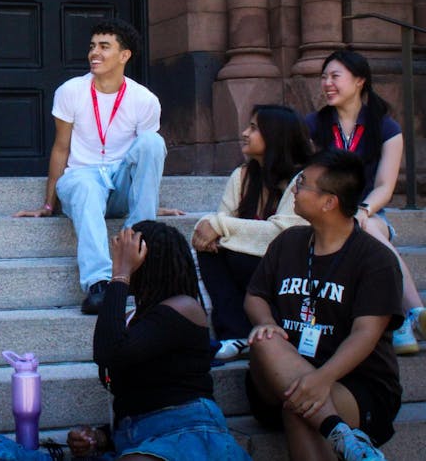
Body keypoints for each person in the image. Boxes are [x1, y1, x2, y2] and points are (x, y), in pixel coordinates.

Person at [245, 149, 402, 461]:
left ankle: (334, 426)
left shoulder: (376, 260)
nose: (295, 190)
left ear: (329, 202)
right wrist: (267, 321)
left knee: (301, 406)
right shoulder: (288, 243)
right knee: (266, 341)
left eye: (303, 184)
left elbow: (364, 335)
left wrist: (322, 379)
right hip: (280, 373)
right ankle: (341, 436)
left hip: (355, 382)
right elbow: (255, 296)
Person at [14, 18, 167, 314]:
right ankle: (99, 284)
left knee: (152, 143)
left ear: (124, 55)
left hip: (119, 181)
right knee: (84, 184)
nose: (94, 53)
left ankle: (138, 244)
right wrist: (48, 204)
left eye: (104, 47)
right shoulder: (71, 91)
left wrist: (149, 200)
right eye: (92, 46)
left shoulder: (145, 100)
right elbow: (61, 148)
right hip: (81, 180)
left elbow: (145, 160)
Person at [68, 221, 250, 461]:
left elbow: (110, 353)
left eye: (128, 253)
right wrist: (101, 436)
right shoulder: (128, 319)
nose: (119, 257)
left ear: (147, 261)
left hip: (186, 430)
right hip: (136, 436)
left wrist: (120, 274)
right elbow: (133, 387)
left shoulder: (185, 308)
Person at [305, 48, 425, 355]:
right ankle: (407, 317)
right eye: (324, 77)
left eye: (335, 76)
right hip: (324, 212)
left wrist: (361, 210)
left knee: (369, 228)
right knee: (365, 230)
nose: (327, 83)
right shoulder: (313, 126)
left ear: (359, 81)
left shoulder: (386, 128)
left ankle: (411, 317)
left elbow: (385, 186)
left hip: (369, 212)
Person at [193, 105, 312, 361]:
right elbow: (220, 222)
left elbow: (284, 233)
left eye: (254, 128)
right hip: (252, 265)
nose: (245, 133)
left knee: (229, 247)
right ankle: (234, 333)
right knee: (209, 251)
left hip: (290, 270)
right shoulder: (243, 175)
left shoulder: (303, 179)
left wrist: (220, 226)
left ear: (275, 135)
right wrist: (213, 226)